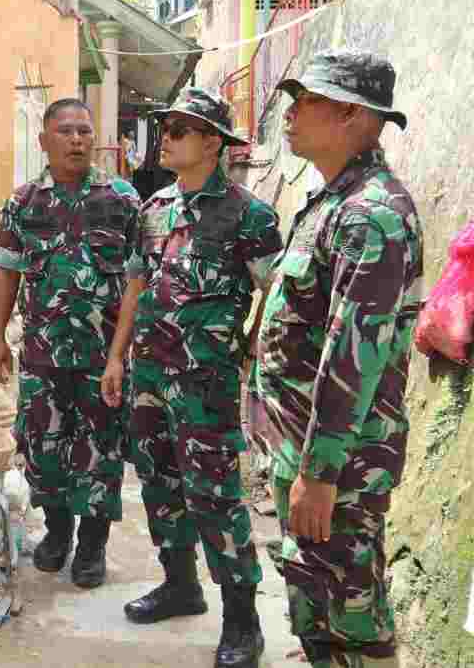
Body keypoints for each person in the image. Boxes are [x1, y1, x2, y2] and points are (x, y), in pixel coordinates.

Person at [101, 88, 282, 668]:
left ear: (213, 142)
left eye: (182, 127)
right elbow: (135, 282)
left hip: (206, 384)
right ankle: (181, 586)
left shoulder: (248, 215)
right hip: (150, 374)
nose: (169, 135)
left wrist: (251, 352)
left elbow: (274, 293)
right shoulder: (153, 209)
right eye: (167, 125)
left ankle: (242, 619)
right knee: (159, 483)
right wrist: (116, 357)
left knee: (215, 497)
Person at [256, 50, 422, 668]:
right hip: (303, 449)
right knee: (315, 598)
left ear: (352, 113)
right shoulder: (332, 202)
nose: (291, 114)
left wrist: (320, 474)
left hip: (338, 465)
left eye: (308, 101)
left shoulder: (370, 214)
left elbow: (353, 358)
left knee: (351, 613)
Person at [0, 97, 141, 589]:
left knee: (101, 448)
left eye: (84, 131)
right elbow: (6, 273)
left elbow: (139, 281)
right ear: (44, 141)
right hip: (43, 355)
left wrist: (122, 352)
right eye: (66, 131)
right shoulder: (23, 203)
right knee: (44, 445)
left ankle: (93, 546)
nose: (77, 140)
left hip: (104, 359)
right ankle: (58, 534)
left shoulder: (122, 200)